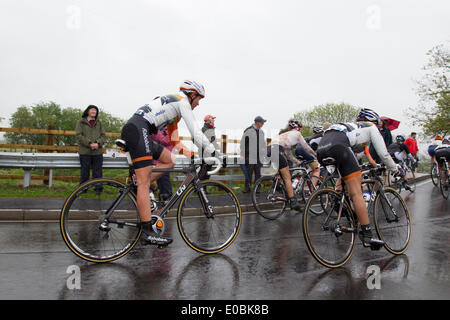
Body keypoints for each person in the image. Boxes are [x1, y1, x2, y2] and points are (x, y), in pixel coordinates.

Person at [120, 80, 218, 247]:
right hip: (138, 128)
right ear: (192, 94)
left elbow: (175, 142)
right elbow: (196, 132)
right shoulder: (182, 102)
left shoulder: (174, 112)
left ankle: (140, 185)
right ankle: (147, 231)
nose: (198, 103)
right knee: (144, 183)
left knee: (169, 160)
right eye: (199, 99)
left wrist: (193, 154)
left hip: (137, 128)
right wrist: (213, 152)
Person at [316, 108, 399, 250]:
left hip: (322, 149)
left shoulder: (350, 127)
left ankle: (339, 201)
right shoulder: (371, 127)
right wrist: (395, 169)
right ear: (375, 121)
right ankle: (367, 235)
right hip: (339, 148)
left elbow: (356, 154)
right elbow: (383, 154)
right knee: (356, 192)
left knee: (345, 178)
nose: (380, 126)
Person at [75, 105, 107, 194]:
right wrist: (89, 143)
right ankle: (83, 189)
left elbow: (103, 136)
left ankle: (98, 189)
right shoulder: (81, 122)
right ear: (87, 111)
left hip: (97, 152)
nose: (94, 111)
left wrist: (98, 143)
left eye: (95, 110)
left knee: (98, 172)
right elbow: (79, 135)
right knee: (85, 171)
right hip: (85, 151)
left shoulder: (99, 123)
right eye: (92, 110)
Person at [240, 116, 267, 193]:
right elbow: (243, 143)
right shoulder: (248, 130)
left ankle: (257, 189)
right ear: (257, 122)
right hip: (250, 155)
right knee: (249, 173)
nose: (263, 124)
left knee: (258, 173)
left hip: (259, 156)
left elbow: (263, 144)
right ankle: (247, 188)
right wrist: (242, 154)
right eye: (262, 122)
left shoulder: (262, 132)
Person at [149, 128, 173, 201]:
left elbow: (165, 140)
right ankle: (161, 199)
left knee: (164, 182)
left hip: (164, 160)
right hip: (157, 159)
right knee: (158, 182)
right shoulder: (159, 128)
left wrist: (154, 133)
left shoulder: (168, 129)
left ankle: (166, 199)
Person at [199, 114, 221, 180]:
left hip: (209, 153)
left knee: (207, 172)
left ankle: (203, 189)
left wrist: (216, 146)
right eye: (212, 119)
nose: (214, 121)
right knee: (204, 173)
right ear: (209, 121)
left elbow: (212, 141)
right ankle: (200, 188)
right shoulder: (204, 129)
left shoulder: (210, 129)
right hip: (205, 154)